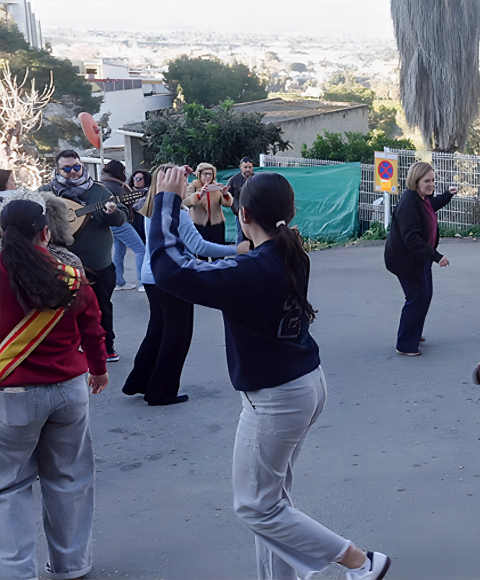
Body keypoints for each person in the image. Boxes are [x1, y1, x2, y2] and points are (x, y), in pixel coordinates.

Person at [148, 166, 391, 580]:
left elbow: (171, 271)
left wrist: (168, 203)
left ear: (242, 215)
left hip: (278, 396)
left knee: (256, 506)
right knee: (273, 502)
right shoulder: (287, 252)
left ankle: (359, 561)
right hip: (301, 384)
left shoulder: (255, 269)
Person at [0, 198, 108, 580]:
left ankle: (15, 570)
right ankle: (71, 565)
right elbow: (93, 328)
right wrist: (98, 370)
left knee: (9, 486)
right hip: (69, 389)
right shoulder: (69, 274)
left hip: (12, 394)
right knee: (69, 479)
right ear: (46, 232)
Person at [121, 166, 237, 406]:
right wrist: (236, 250)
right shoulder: (178, 213)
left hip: (150, 276)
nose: (185, 184)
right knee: (177, 335)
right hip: (172, 278)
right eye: (182, 180)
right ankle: (161, 391)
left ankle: (139, 381)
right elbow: (199, 246)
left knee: (158, 330)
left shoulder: (148, 207)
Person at [39, 150, 127, 363]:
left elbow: (121, 219)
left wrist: (111, 212)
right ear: (58, 170)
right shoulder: (46, 192)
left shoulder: (99, 192)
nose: (72, 172)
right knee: (63, 309)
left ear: (82, 167)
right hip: (60, 265)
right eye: (66, 168)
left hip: (98, 265)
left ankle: (107, 347)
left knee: (101, 307)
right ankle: (70, 348)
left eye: (76, 167)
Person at [384, 162, 455, 356]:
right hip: (406, 260)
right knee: (417, 298)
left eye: (433, 180)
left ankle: (413, 332)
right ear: (416, 181)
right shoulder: (409, 202)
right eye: (427, 181)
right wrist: (437, 257)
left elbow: (433, 205)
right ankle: (405, 344)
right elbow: (411, 238)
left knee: (424, 295)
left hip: (419, 258)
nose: (431, 184)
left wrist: (448, 195)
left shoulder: (422, 199)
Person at [101, 161, 146, 292]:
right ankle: (143, 283)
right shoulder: (114, 185)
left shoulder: (105, 183)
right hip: (120, 222)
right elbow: (125, 201)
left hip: (112, 223)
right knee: (140, 249)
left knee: (119, 252)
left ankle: (119, 282)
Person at [183, 162, 234, 245]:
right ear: (199, 174)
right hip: (199, 225)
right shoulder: (193, 186)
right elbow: (185, 202)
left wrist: (225, 194)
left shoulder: (216, 186)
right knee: (201, 253)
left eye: (211, 174)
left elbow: (227, 204)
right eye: (205, 174)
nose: (208, 176)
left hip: (217, 224)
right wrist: (199, 195)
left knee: (218, 252)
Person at [226, 156, 256, 244]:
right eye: (245, 167)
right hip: (240, 213)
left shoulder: (257, 179)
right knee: (241, 236)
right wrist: (235, 208)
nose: (248, 169)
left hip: (255, 213)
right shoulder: (233, 180)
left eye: (250, 167)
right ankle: (240, 255)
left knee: (255, 235)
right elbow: (227, 195)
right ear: (240, 167)